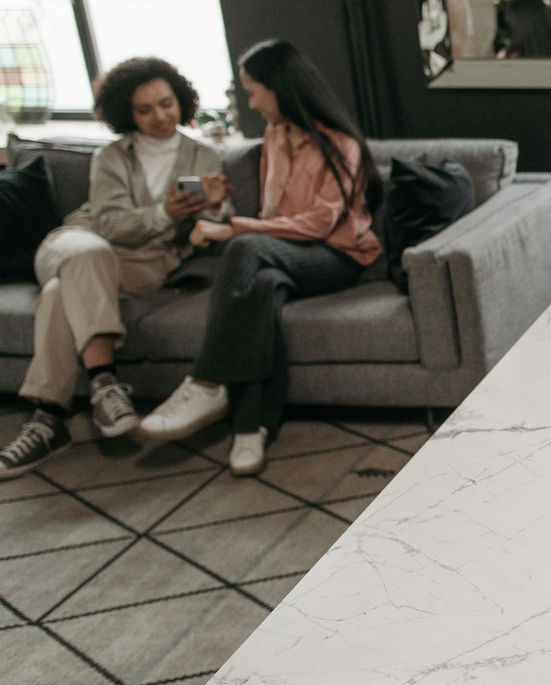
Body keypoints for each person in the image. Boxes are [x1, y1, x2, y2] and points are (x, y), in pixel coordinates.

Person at [139, 39, 382, 476]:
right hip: (283, 254)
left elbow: (317, 227)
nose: (250, 101)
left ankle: (208, 381)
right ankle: (251, 427)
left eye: (253, 90)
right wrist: (216, 209)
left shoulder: (340, 144)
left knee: (244, 245)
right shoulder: (272, 136)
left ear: (280, 88)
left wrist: (234, 229)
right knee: (262, 288)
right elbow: (275, 216)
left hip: (337, 256)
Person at [0, 57, 229, 478]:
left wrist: (213, 210)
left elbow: (208, 225)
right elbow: (106, 224)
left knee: (57, 294)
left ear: (181, 100)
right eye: (145, 110)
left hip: (147, 263)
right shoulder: (110, 157)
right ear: (127, 113)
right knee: (88, 254)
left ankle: (47, 418)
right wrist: (162, 213)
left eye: (166, 103)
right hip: (77, 243)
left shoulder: (202, 155)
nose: (160, 116)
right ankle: (104, 382)